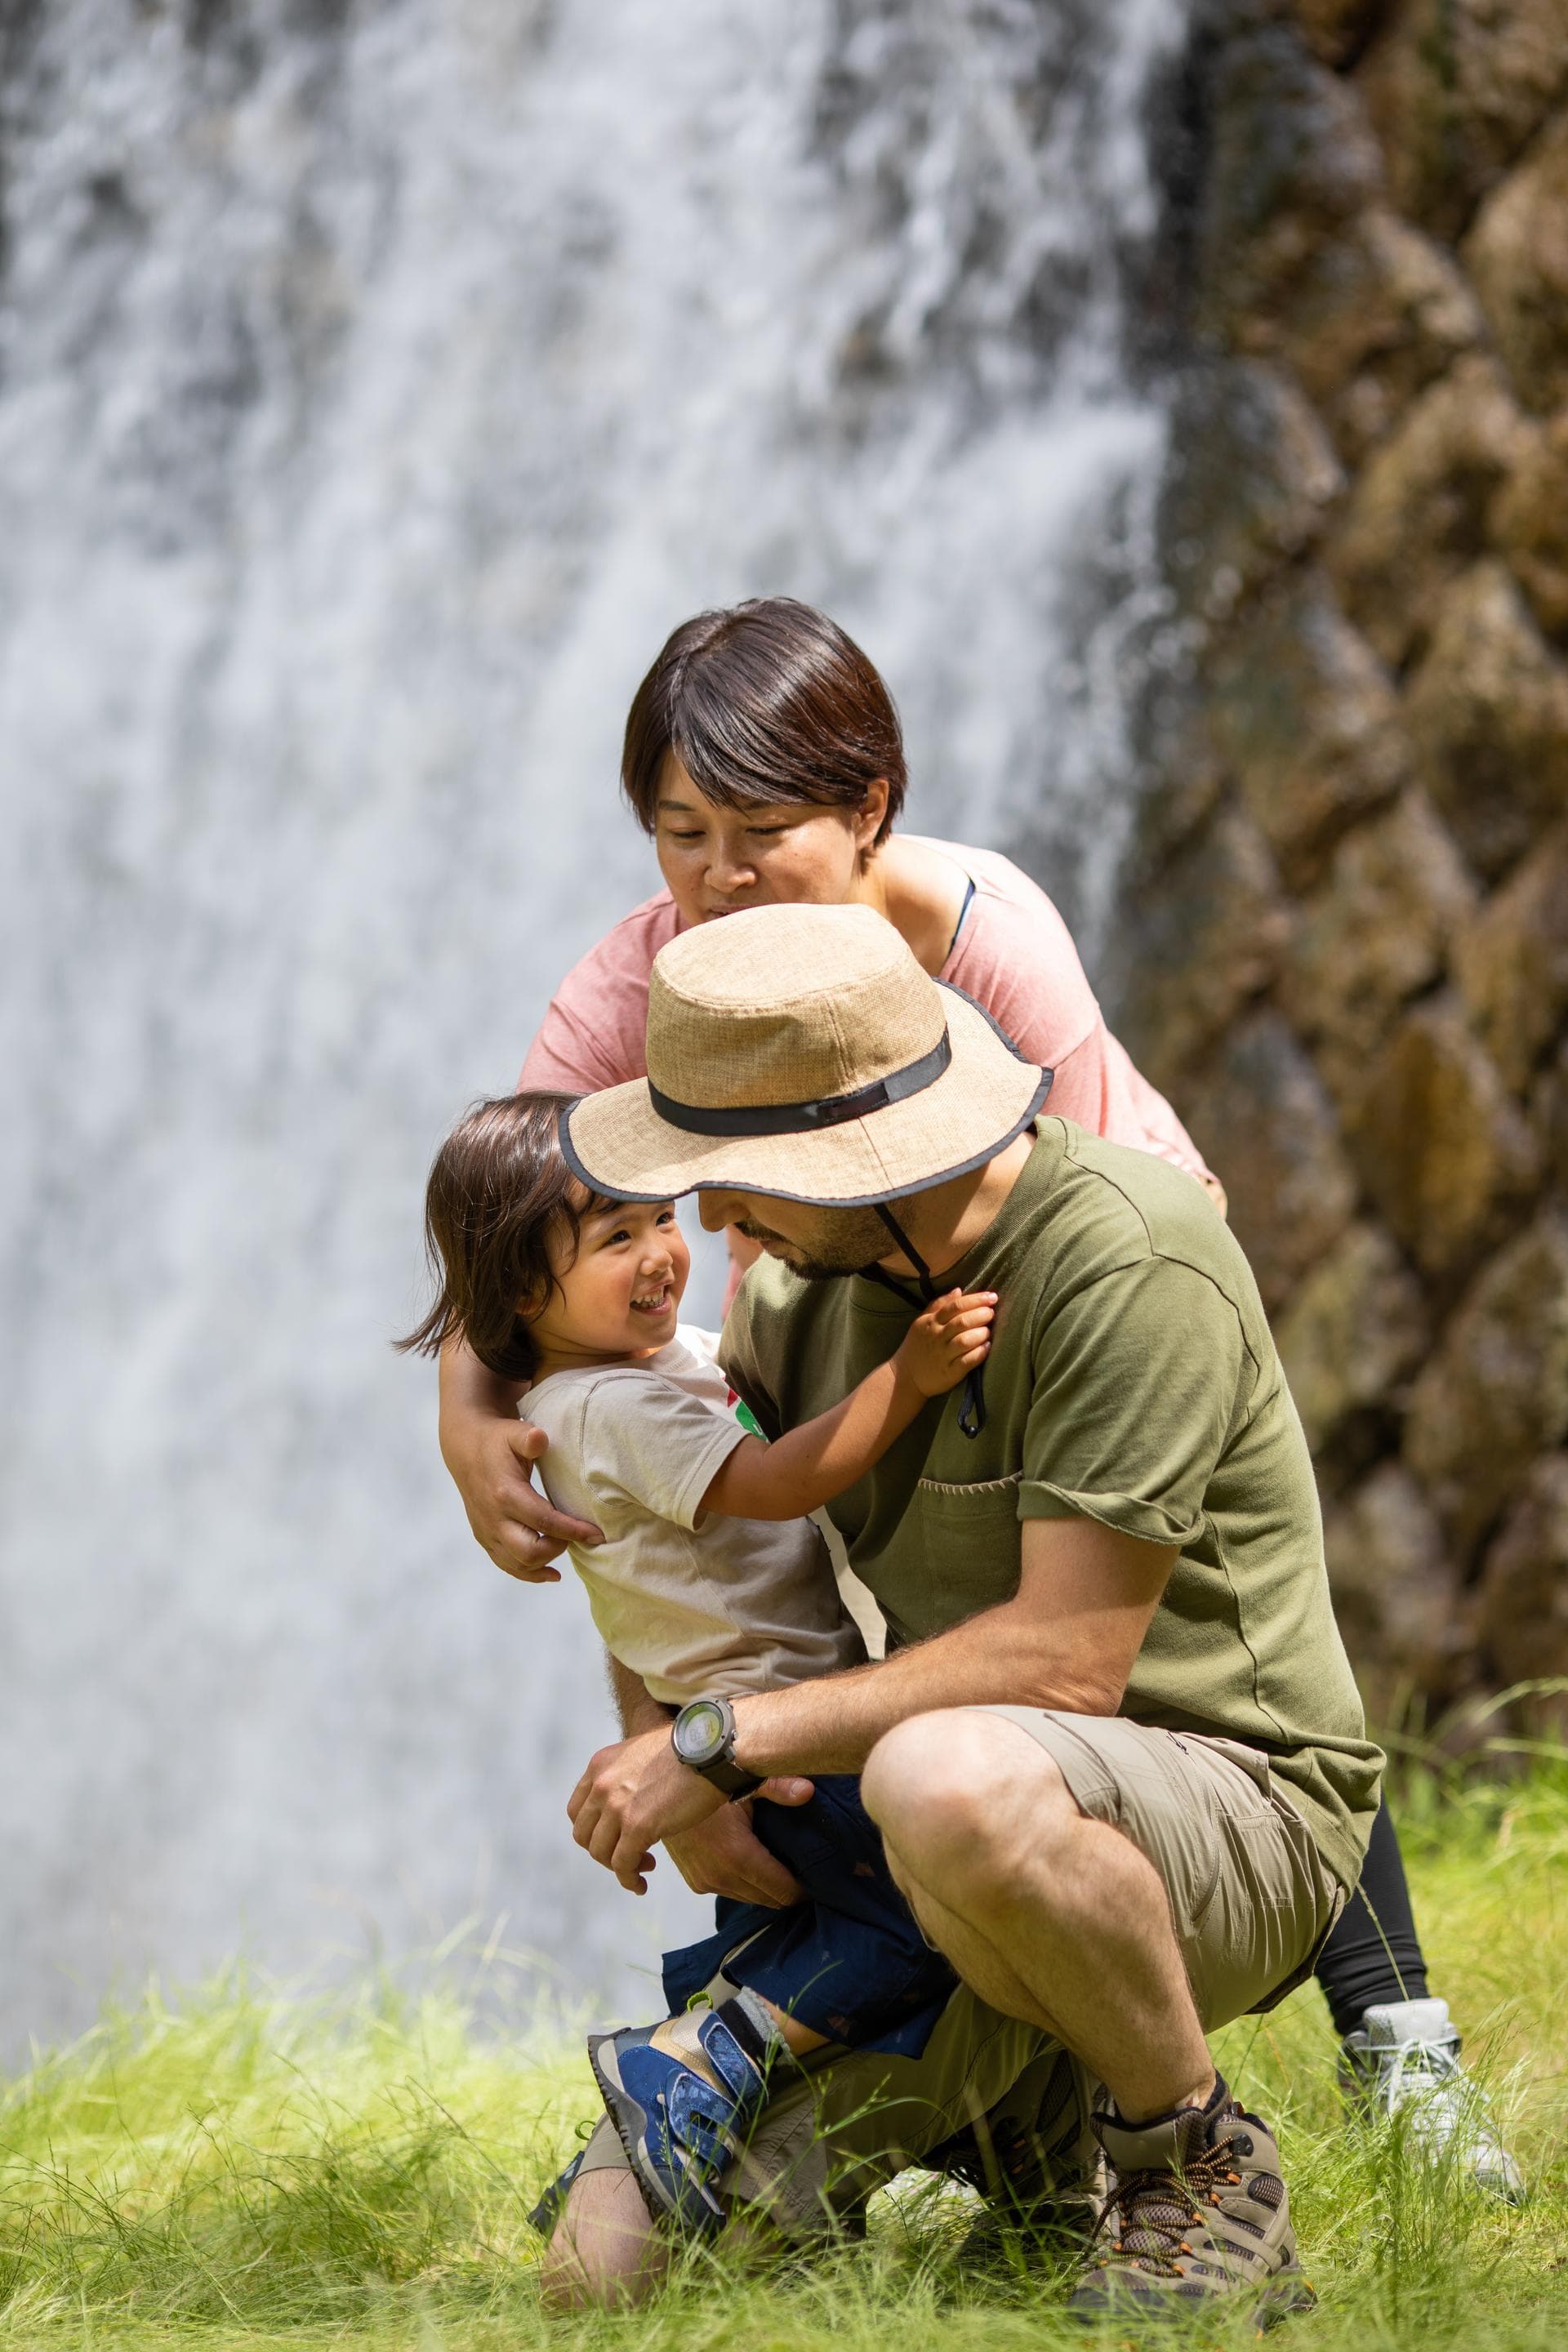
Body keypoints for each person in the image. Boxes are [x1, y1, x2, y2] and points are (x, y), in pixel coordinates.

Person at [438, 599, 1517, 2195]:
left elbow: (1068, 1195)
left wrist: (1035, 1361)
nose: (717, 873)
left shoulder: (986, 941)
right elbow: (547, 1260)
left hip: (1053, 1257)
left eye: (760, 830)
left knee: (1175, 1628)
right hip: (832, 1286)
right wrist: (476, 1408)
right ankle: (964, 2097)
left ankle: (1373, 2040)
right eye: (679, 834)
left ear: (870, 810)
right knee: (640, 2199)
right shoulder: (660, 991)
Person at [543, 898, 1383, 2321]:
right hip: (918, 1867)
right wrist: (682, 1753)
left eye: (728, 1179)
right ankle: (1032, 2141)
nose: (708, 1222)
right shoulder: (801, 1300)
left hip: (1233, 1807)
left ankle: (1189, 2158)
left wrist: (716, 1737)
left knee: (948, 1775)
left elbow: (1067, 1665)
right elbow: (667, 1541)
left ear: (845, 1152)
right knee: (613, 2271)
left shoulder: (1127, 1257)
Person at [400, 1090, 1003, 2231]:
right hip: (779, 1748)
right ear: (525, 1294)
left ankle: (634, 2179)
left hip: (743, 1737)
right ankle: (682, 2069)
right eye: (614, 1238)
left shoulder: (648, 1366)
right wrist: (909, 1378)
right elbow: (775, 1481)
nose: (662, 1254)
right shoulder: (605, 1407)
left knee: (781, 1962)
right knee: (925, 1934)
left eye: (660, 1219)